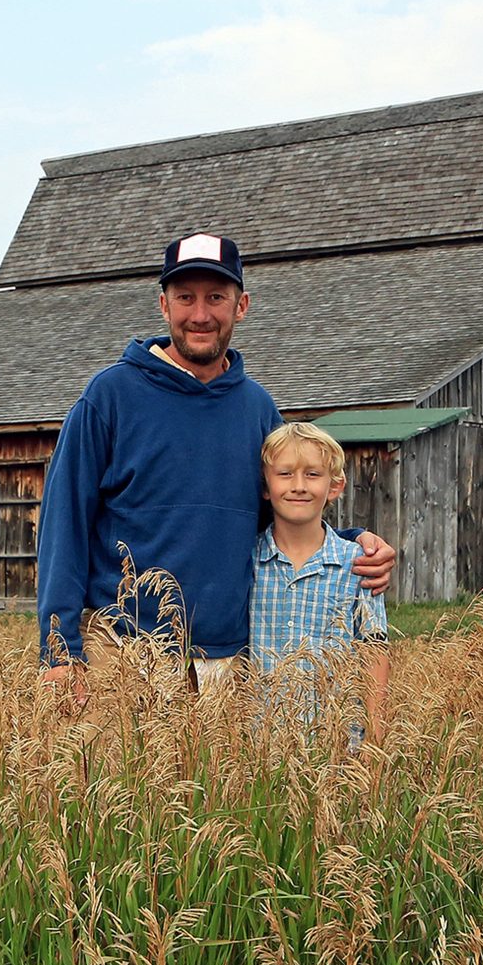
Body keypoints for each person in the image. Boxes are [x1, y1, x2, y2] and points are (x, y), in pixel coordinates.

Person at [35, 231, 393, 695]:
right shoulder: (110, 397)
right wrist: (59, 651)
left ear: (241, 305)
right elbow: (64, 522)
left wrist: (350, 544)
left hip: (231, 662)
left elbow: (283, 509)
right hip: (123, 656)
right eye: (185, 297)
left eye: (216, 298)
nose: (200, 314)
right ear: (164, 305)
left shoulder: (257, 409)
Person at [248, 421, 390, 748]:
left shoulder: (357, 564)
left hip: (337, 741)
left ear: (335, 486)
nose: (299, 486)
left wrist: (374, 740)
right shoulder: (249, 560)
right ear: (266, 487)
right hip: (258, 742)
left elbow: (373, 650)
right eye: (285, 474)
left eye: (313, 474)